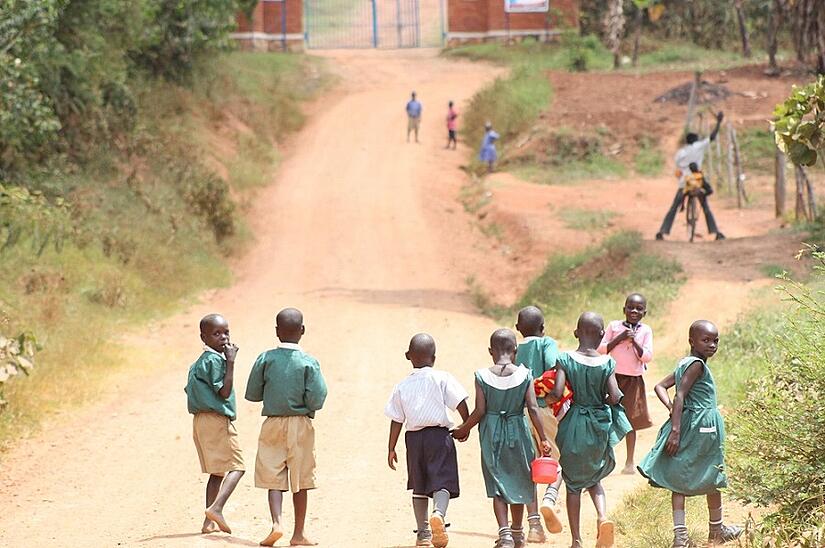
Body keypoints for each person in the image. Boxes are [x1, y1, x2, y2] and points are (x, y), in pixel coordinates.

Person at [638, 321, 743, 548]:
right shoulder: (696, 365)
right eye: (706, 340)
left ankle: (683, 537)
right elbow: (679, 395)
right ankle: (715, 530)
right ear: (691, 341)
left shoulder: (685, 364)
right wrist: (675, 429)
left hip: (693, 424)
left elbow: (659, 387)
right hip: (702, 429)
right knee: (712, 473)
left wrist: (674, 412)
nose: (712, 345)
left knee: (681, 476)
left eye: (715, 341)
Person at [452, 329, 552, 548]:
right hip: (518, 429)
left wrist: (463, 428)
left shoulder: (482, 376)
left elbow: (479, 410)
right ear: (515, 350)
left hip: (492, 432)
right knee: (519, 478)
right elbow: (533, 409)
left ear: (490, 351)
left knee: (497, 480)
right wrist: (543, 438)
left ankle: (504, 533)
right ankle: (517, 533)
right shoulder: (525, 374)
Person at [546, 312, 631, 548]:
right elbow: (614, 396)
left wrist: (544, 397)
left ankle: (576, 540)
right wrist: (601, 397)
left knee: (573, 485)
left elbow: (557, 391)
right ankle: (603, 517)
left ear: (576, 333)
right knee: (595, 477)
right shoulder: (607, 363)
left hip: (573, 424)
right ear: (603, 335)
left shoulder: (565, 359)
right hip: (598, 424)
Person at [245, 308, 328, 546]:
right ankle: (298, 534)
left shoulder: (265, 358)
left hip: (272, 422)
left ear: (276, 332)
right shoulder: (309, 362)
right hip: (301, 424)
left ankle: (277, 523)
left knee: (273, 475)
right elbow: (317, 398)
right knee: (299, 478)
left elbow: (253, 393)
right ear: (302, 331)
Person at [385, 333, 470, 548]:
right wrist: (466, 424)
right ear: (434, 357)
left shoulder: (402, 385)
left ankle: (423, 533)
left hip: (413, 439)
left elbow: (396, 419)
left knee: (419, 484)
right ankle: (439, 515)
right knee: (442, 479)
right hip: (439, 437)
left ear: (408, 356)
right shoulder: (442, 378)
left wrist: (391, 448)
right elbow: (459, 401)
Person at [184, 313, 245, 535]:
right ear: (204, 337)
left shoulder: (199, 362)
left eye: (226, 332)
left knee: (217, 472)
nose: (223, 337)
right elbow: (224, 391)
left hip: (200, 420)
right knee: (238, 466)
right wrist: (231, 362)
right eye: (216, 334)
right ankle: (216, 509)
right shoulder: (215, 361)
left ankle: (208, 522)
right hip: (216, 420)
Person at [514, 306, 565, 542]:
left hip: (519, 413)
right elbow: (554, 371)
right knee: (554, 461)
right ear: (543, 328)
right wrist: (551, 397)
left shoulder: (512, 348)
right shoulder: (547, 344)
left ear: (517, 329)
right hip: (543, 410)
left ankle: (534, 526)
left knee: (528, 467)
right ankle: (549, 499)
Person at [598, 293, 654, 475]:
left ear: (644, 312)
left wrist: (634, 341)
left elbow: (647, 356)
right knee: (607, 416)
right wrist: (620, 338)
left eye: (639, 308)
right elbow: (602, 349)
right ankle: (604, 459)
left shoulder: (645, 331)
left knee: (630, 420)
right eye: (630, 307)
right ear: (624, 310)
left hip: (633, 380)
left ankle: (629, 461)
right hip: (612, 378)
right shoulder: (614, 327)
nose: (634, 311)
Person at [656, 112, 726, 241]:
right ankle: (715, 232)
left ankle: (662, 231)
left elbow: (677, 168)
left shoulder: (681, 152)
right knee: (705, 207)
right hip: (698, 182)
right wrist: (718, 123)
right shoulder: (698, 147)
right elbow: (712, 136)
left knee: (674, 207)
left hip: (684, 183)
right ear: (695, 140)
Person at [680, 163, 724, 239]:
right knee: (706, 208)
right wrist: (706, 193)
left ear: (690, 170)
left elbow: (685, 190)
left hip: (690, 193)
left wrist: (683, 204)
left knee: (684, 194)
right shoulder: (700, 175)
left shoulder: (688, 177)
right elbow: (706, 187)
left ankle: (683, 207)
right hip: (699, 193)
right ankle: (714, 230)